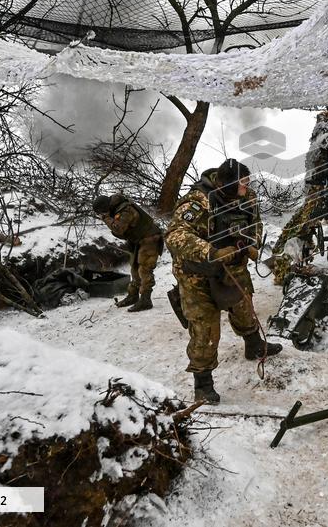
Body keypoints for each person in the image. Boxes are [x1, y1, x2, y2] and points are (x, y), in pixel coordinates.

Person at [165, 159, 282, 404]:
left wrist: (252, 243)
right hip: (197, 272)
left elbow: (256, 223)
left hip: (232, 266)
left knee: (243, 305)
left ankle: (254, 345)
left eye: (247, 182)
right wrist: (211, 252)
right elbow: (175, 235)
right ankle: (203, 384)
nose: (246, 187)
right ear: (226, 184)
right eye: (242, 183)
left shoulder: (247, 197)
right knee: (205, 327)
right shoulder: (198, 201)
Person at [91, 193, 163, 313]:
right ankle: (133, 296)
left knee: (144, 269)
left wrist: (106, 218)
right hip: (138, 239)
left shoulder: (125, 210)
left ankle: (146, 300)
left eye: (101, 212)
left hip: (150, 238)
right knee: (134, 268)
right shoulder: (116, 208)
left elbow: (118, 228)